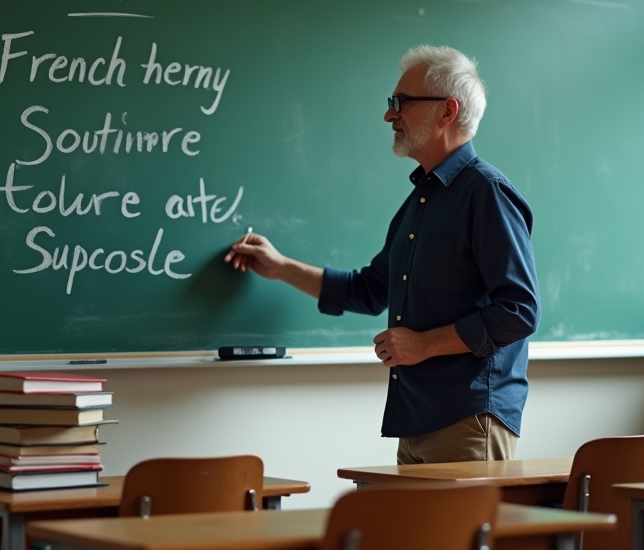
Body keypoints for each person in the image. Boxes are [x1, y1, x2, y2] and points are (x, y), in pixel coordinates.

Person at [223, 45, 540, 463]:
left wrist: (424, 345)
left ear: (447, 111)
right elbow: (370, 290)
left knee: (454, 533)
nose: (390, 115)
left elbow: (518, 311)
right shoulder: (420, 203)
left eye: (401, 103)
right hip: (415, 418)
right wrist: (281, 267)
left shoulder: (486, 193)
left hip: (468, 418)